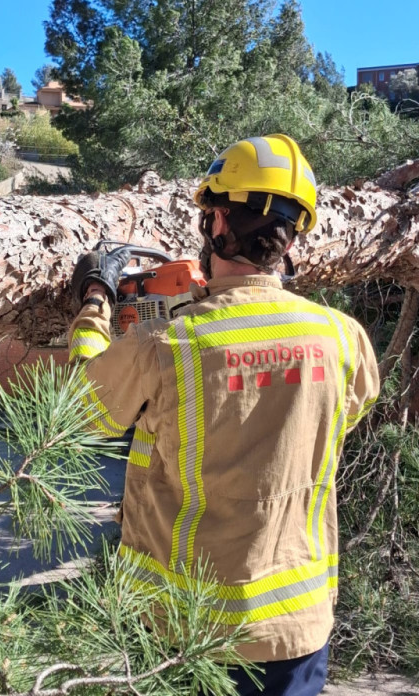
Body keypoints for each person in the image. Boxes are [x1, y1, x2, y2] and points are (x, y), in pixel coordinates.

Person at [68, 134, 380, 696]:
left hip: (183, 631)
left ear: (216, 222)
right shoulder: (343, 336)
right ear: (291, 239)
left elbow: (79, 410)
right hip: (298, 628)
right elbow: (335, 414)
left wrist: (94, 300)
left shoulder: (165, 345)